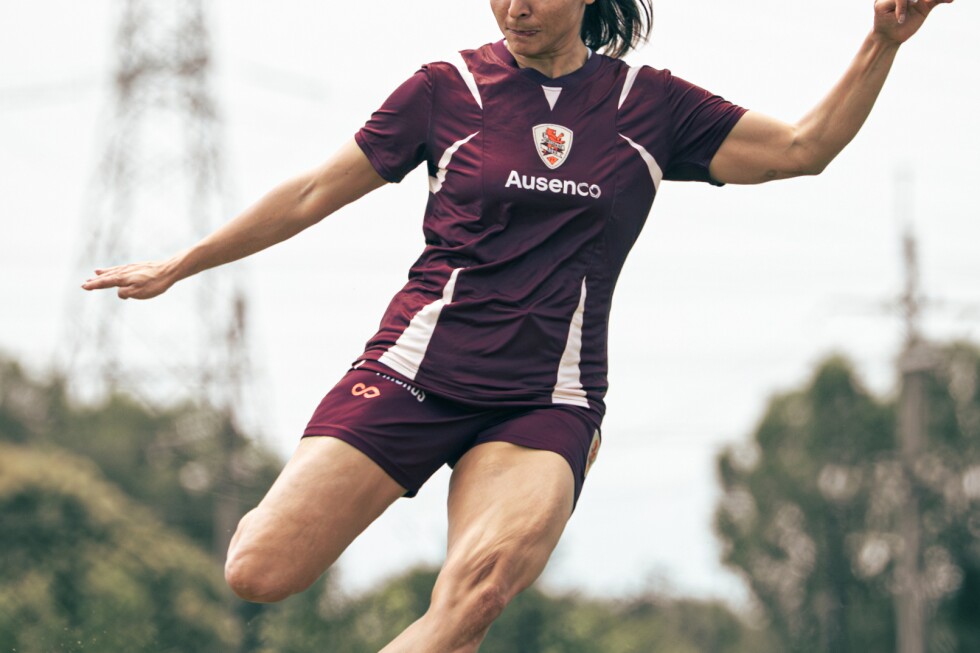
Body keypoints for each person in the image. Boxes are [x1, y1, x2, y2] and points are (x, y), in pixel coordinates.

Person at [82, 0, 953, 650]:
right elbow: (312, 191)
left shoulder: (648, 106)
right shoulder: (445, 90)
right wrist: (182, 262)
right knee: (257, 569)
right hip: (413, 374)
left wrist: (882, 40)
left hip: (544, 402)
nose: (515, 6)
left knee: (474, 596)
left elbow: (803, 148)